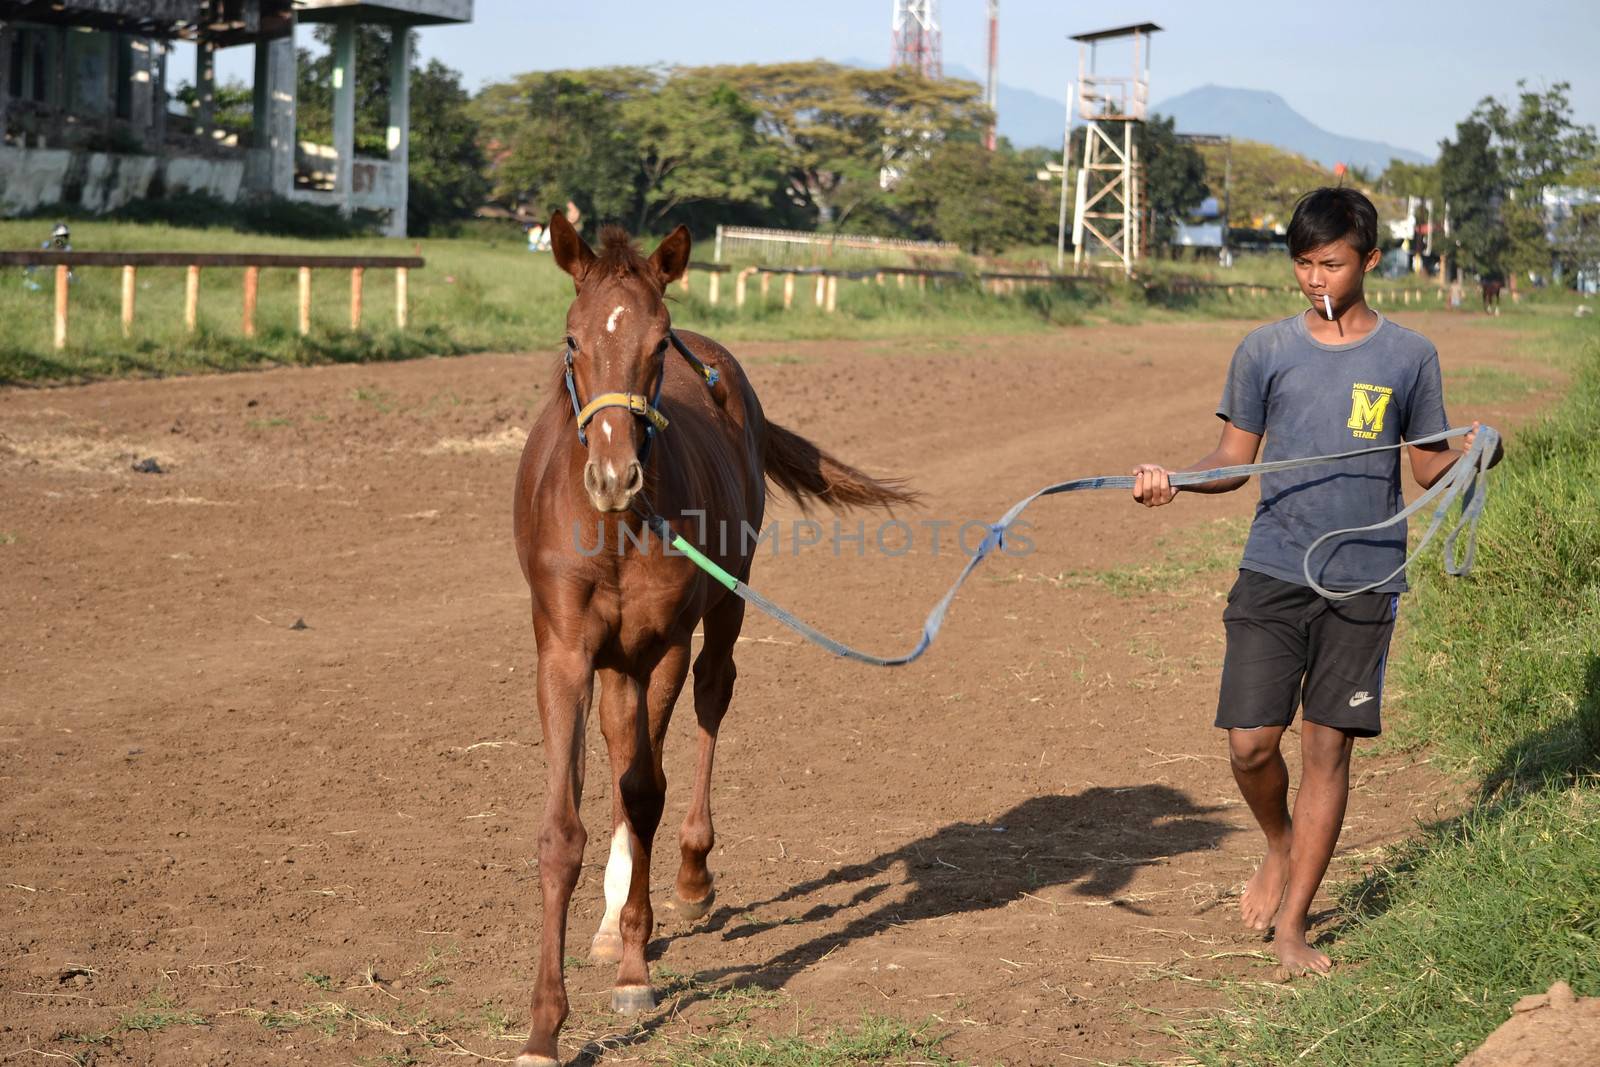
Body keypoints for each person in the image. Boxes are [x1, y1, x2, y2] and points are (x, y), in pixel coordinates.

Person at [1129, 187, 1502, 978]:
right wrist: (1175, 481)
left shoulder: (1409, 356)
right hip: (1274, 566)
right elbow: (1233, 464)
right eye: (1302, 263)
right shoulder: (1265, 351)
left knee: (1327, 749)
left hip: (1366, 577)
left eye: (1330, 262)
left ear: (1370, 259)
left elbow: (1426, 463)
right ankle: (1279, 842)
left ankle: (1295, 923)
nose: (1315, 278)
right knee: (1250, 745)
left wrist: (1474, 449)